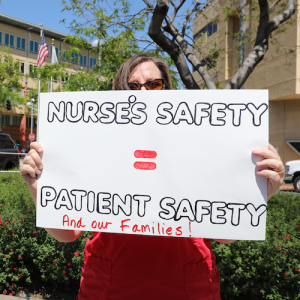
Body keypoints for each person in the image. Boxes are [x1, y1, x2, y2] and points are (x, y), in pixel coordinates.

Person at [20, 53, 285, 300]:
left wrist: (261, 192)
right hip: (109, 284)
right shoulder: (93, 142)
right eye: (132, 86)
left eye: (153, 84)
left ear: (167, 90)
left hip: (186, 285)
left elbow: (225, 235)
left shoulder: (201, 141)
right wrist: (38, 189)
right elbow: (67, 234)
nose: (143, 92)